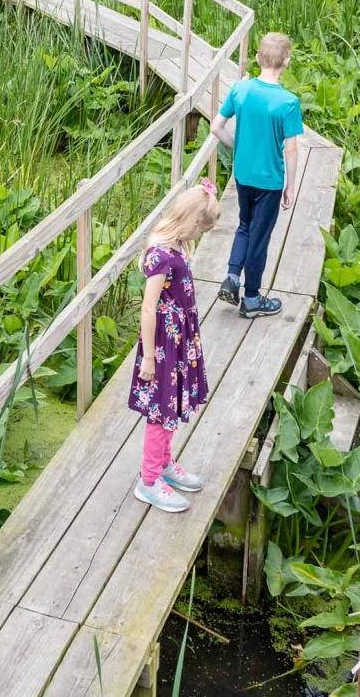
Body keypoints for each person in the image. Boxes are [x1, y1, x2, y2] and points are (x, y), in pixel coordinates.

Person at [130, 181, 220, 513]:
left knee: (172, 406)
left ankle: (164, 462)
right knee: (160, 410)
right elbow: (147, 307)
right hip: (163, 346)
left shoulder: (179, 246)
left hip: (179, 339)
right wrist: (150, 357)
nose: (200, 233)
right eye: (200, 226)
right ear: (188, 219)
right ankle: (149, 479)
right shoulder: (160, 255)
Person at [211, 32, 305, 319]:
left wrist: (237, 147)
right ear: (286, 61)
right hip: (269, 180)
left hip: (243, 174)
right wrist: (290, 187)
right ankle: (251, 299)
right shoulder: (288, 102)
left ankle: (232, 275)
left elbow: (216, 127)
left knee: (244, 225)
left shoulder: (240, 89)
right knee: (260, 237)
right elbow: (290, 150)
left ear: (257, 58)